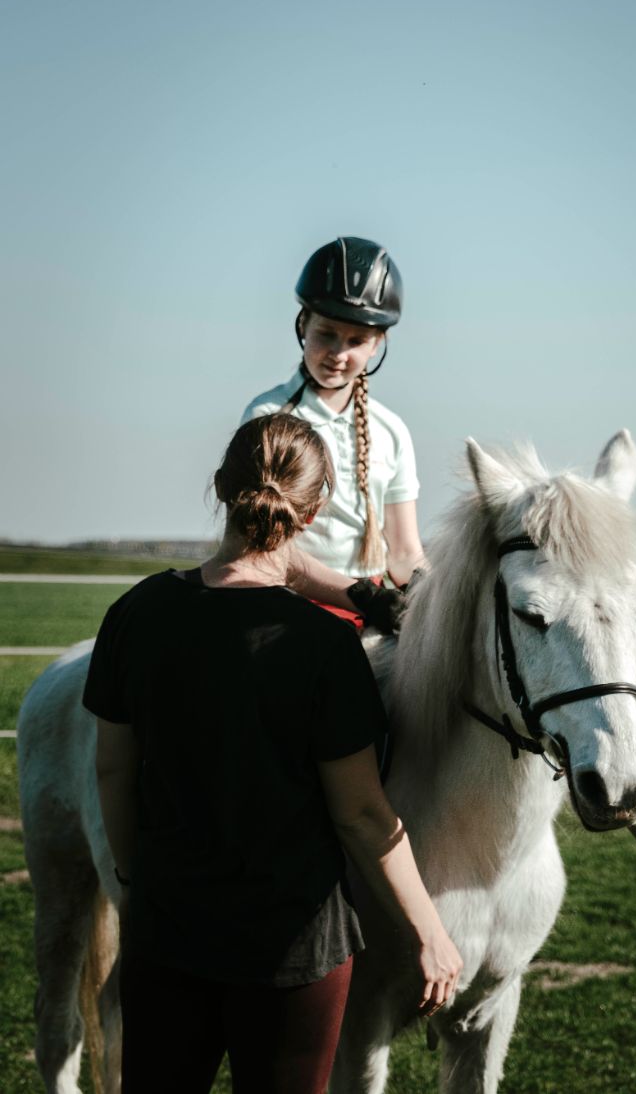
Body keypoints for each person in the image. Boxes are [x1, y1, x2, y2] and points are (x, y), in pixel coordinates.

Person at [82, 413, 461, 1094]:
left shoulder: (135, 613)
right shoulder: (323, 647)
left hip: (168, 934)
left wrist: (139, 882)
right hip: (295, 953)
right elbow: (364, 818)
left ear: (221, 487)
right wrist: (430, 932)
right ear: (314, 512)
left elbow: (112, 769)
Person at [241, 236, 426, 632]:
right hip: (288, 607)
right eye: (326, 334)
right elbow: (269, 551)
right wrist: (361, 597)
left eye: (356, 341)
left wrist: (435, 597)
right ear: (304, 323)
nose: (338, 354)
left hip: (371, 609)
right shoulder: (267, 417)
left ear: (378, 344)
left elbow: (405, 553)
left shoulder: (391, 431)